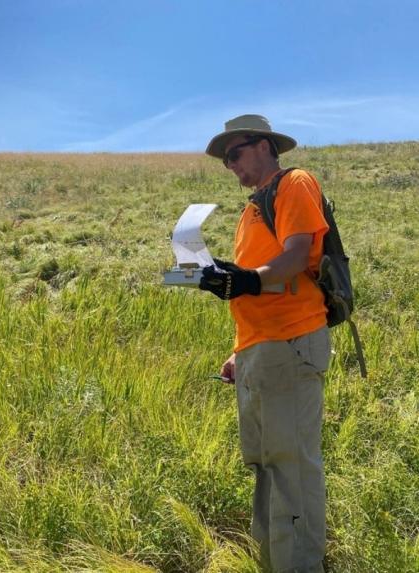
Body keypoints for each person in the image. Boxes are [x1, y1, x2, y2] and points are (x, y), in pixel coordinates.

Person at [199, 114, 332, 573]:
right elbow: (262, 282)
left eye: (235, 153)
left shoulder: (294, 183)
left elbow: (295, 256)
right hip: (262, 350)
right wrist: (242, 347)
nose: (230, 165)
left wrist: (248, 281)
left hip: (291, 344)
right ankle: (274, 561)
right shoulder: (252, 209)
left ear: (264, 146)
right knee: (266, 465)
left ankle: (299, 566)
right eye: (225, 160)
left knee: (290, 465)